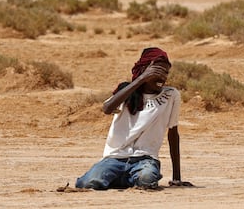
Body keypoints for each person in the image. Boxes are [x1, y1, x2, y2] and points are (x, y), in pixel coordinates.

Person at [75, 47, 193, 190]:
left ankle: (121, 178)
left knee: (147, 180)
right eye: (157, 71)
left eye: (165, 73)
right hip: (115, 158)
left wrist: (176, 178)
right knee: (89, 183)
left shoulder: (171, 95)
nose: (162, 77)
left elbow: (173, 134)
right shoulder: (126, 92)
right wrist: (141, 79)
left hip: (146, 159)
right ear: (144, 69)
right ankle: (121, 177)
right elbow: (107, 109)